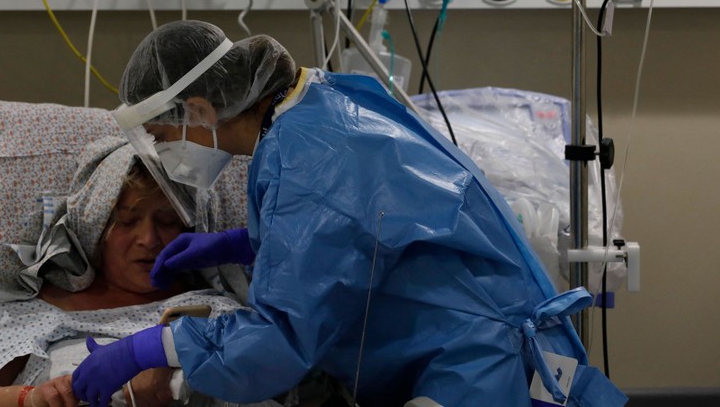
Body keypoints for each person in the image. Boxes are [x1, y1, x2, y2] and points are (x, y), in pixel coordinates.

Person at [71, 20, 628, 407]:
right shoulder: (316, 104)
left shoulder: (311, 158)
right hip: (476, 339)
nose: (166, 154)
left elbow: (282, 338)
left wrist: (148, 348)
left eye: (163, 136)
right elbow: (357, 230)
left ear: (199, 109)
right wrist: (241, 244)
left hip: (476, 368)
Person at [0, 137, 280, 407]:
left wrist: (178, 379)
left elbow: (275, 379)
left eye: (166, 221)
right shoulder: (38, 304)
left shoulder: (215, 309)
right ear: (95, 230)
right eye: (128, 222)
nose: (148, 240)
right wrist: (34, 398)